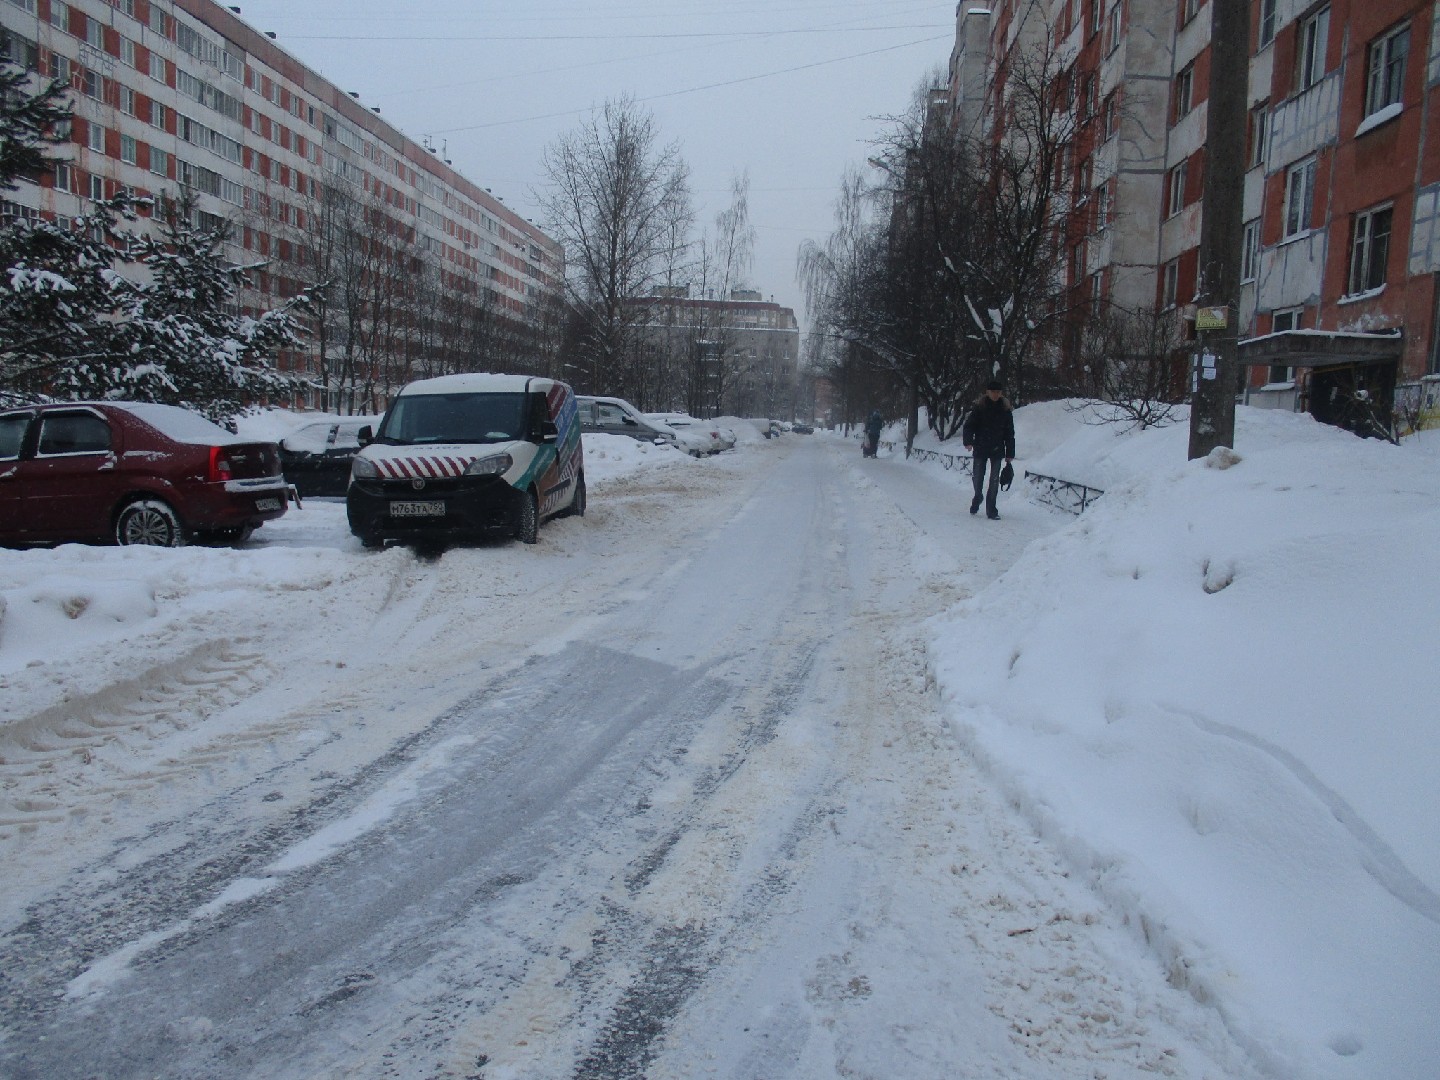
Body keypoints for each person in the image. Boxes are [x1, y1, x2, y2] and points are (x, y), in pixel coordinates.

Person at [961, 379, 1015, 519]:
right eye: (993, 392)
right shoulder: (980, 408)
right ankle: (978, 496)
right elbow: (969, 426)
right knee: (978, 477)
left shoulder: (1005, 410)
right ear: (987, 392)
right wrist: (968, 441)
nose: (996, 394)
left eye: (998, 392)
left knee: (994, 480)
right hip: (980, 447)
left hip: (997, 449)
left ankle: (991, 509)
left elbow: (1009, 433)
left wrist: (1010, 452)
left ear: (1001, 393)